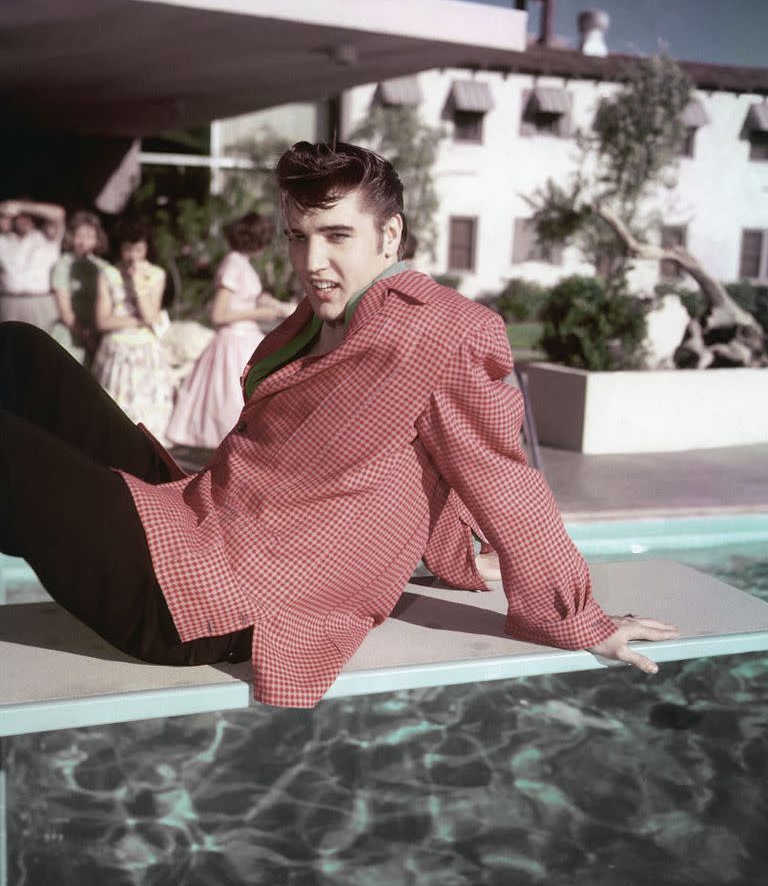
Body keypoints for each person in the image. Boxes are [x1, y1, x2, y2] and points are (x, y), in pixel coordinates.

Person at [0, 141, 678, 709]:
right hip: (196, 512)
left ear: (390, 234)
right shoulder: (315, 319)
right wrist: (455, 558)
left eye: (336, 236)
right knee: (22, 352)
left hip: (205, 598)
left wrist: (581, 616)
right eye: (298, 237)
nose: (311, 261)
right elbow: (387, 470)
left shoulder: (443, 332)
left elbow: (504, 477)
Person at [166, 211, 293, 449]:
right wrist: (259, 313)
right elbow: (219, 314)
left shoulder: (241, 263)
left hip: (245, 338)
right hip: (232, 342)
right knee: (230, 404)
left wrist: (265, 301)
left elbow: (243, 298)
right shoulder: (233, 265)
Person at [91, 220, 173, 443]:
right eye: (128, 249)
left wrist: (137, 282)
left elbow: (150, 315)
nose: (133, 256)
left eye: (138, 249)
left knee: (147, 420)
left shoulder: (155, 274)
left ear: (146, 247)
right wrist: (138, 320)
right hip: (116, 349)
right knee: (116, 414)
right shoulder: (108, 273)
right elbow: (102, 321)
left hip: (145, 351)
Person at [50, 211, 111, 366]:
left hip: (99, 333)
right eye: (79, 236)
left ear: (97, 239)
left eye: (89, 236)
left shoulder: (104, 267)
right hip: (71, 334)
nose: (84, 242)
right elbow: (65, 313)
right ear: (72, 237)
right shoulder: (63, 265)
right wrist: (87, 338)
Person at [0, 199, 64, 330]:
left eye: (28, 216)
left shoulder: (48, 239)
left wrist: (21, 207)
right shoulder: (3, 240)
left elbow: (59, 214)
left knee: (41, 346)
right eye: (20, 217)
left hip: (40, 302)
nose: (24, 220)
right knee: (8, 346)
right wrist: (5, 209)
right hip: (8, 302)